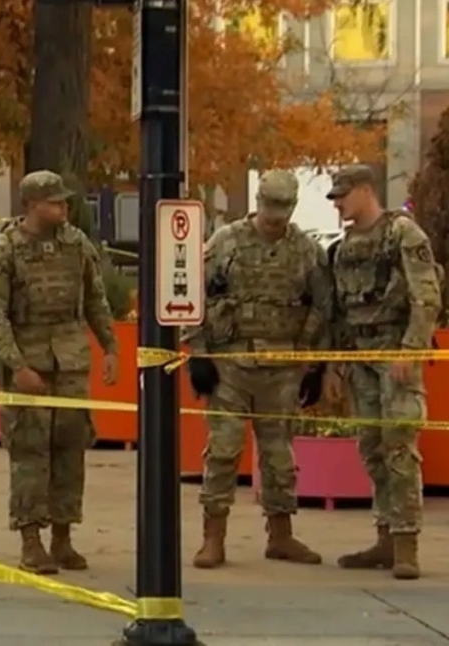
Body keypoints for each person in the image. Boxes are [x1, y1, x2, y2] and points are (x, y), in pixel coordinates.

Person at [181, 169, 331, 569]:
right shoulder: (226, 242)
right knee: (223, 451)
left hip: (282, 368)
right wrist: (198, 353)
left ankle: (280, 535)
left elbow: (323, 308)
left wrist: (315, 364)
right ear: (258, 202)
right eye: (269, 207)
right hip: (231, 366)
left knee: (279, 455)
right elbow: (192, 294)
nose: (274, 217)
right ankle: (213, 538)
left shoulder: (306, 251)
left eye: (283, 209)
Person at [0, 170, 119, 574]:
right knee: (30, 453)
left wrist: (110, 347)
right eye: (54, 202)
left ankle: (63, 537)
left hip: (71, 364)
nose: (63, 208)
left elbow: (95, 299)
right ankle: (31, 540)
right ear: (32, 205)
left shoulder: (77, 244)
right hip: (29, 364)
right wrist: (17, 365)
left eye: (64, 201)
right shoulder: (5, 250)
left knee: (71, 449)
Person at [325, 165, 442, 580]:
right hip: (359, 360)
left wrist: (410, 349)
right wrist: (335, 367)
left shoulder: (402, 233)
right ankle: (385, 538)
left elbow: (427, 296)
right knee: (372, 448)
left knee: (399, 447)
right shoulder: (342, 249)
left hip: (396, 356)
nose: (338, 204)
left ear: (365, 190)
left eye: (343, 195)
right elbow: (339, 313)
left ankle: (406, 543)